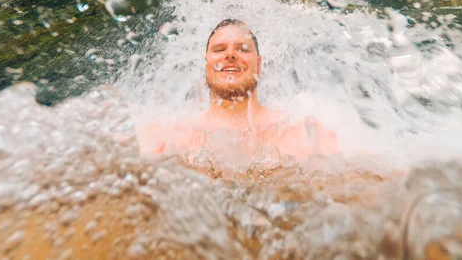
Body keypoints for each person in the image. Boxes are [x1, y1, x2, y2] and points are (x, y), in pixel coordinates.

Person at [134, 19, 339, 160]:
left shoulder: (305, 135)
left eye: (242, 49)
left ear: (258, 65)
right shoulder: (169, 136)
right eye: (219, 49)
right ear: (206, 64)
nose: (230, 55)